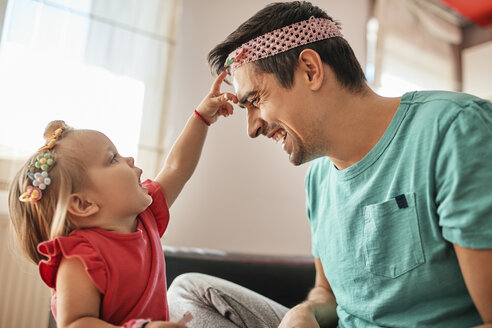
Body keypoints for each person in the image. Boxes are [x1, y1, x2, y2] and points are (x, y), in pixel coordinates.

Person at [167, 1, 492, 327]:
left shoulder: (454, 130)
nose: (252, 128)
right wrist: (307, 312)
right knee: (189, 291)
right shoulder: (319, 179)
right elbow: (327, 294)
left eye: (255, 101)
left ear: (311, 69)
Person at [8, 72, 238, 328]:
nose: (129, 159)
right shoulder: (81, 258)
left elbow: (176, 168)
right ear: (84, 204)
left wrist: (202, 118)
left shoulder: (144, 218)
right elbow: (76, 324)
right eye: (112, 159)